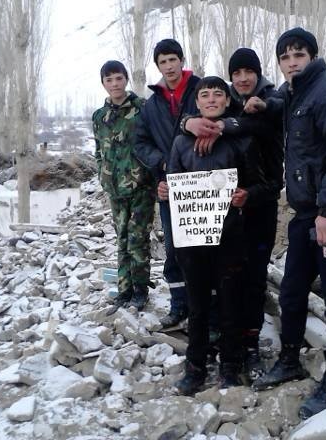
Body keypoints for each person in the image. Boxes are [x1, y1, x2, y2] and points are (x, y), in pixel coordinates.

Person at [252, 28, 326, 420]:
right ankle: (289, 360)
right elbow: (281, 107)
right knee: (291, 291)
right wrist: (259, 106)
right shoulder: (293, 95)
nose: (291, 62)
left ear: (312, 55)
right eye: (284, 57)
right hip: (306, 213)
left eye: (298, 54)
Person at [181, 48, 284, 380]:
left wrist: (222, 127)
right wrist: (189, 123)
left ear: (258, 74)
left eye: (248, 72)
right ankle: (221, 345)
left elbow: (266, 132)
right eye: (236, 73)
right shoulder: (225, 102)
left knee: (252, 281)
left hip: (258, 208)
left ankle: (248, 347)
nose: (242, 78)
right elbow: (185, 127)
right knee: (221, 284)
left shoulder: (266, 103)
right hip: (219, 219)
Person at [168, 76, 264, 395]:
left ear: (227, 101)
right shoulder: (181, 142)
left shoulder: (240, 141)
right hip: (193, 241)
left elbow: (262, 185)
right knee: (197, 306)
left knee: (229, 303)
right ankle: (194, 366)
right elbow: (171, 182)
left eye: (218, 95)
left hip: (230, 238)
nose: (211, 100)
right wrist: (164, 190)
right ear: (196, 103)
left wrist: (246, 194)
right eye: (204, 95)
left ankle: (230, 366)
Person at [134, 39, 201, 327]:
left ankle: (206, 311)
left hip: (203, 184)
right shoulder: (152, 105)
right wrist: (161, 163)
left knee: (204, 248)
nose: (169, 66)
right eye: (163, 62)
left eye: (173, 59)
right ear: (158, 66)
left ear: (182, 60)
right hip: (169, 186)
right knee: (175, 249)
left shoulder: (202, 90)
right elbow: (140, 142)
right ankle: (179, 306)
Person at [92, 60, 155, 310]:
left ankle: (141, 290)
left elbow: (153, 144)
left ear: (126, 79)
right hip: (114, 188)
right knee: (121, 239)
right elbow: (98, 150)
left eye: (118, 78)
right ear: (104, 84)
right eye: (109, 80)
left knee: (138, 239)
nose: (114, 84)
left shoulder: (143, 109)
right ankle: (124, 289)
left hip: (140, 186)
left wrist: (149, 175)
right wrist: (102, 174)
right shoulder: (100, 116)